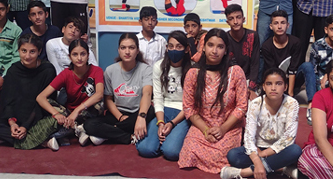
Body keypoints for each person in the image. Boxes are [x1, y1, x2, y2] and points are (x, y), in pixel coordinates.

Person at [179, 29, 248, 173]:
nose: (214, 51)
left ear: (226, 50)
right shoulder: (193, 73)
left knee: (223, 155)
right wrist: (205, 130)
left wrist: (223, 129)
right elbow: (189, 108)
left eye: (220, 47)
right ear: (203, 47)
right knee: (188, 153)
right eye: (210, 45)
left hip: (229, 126)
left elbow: (242, 106)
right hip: (202, 125)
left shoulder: (235, 72)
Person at [222, 68, 302, 179]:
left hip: (280, 150)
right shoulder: (256, 104)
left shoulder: (292, 104)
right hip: (258, 147)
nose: (273, 88)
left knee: (295, 151)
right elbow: (249, 137)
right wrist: (256, 158)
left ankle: (243, 173)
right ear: (264, 87)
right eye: (269, 84)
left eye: (278, 84)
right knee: (233, 155)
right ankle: (281, 168)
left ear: (285, 87)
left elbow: (288, 139)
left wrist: (262, 157)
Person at [0, 34, 59, 150]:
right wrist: (12, 123)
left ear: (39, 51)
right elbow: (7, 101)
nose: (27, 56)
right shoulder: (13, 71)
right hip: (17, 116)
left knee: (55, 122)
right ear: (18, 50)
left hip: (38, 116)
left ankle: (15, 139)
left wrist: (25, 126)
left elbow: (46, 102)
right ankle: (41, 141)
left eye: (32, 52)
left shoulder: (47, 70)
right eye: (23, 51)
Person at [83, 33, 153, 145]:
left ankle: (108, 133)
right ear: (118, 50)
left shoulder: (146, 69)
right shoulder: (110, 70)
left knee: (151, 112)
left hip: (137, 113)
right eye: (123, 48)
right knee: (89, 124)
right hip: (117, 114)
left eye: (131, 47)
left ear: (138, 50)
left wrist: (141, 117)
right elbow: (108, 99)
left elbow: (147, 94)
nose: (127, 52)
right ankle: (128, 136)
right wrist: (120, 117)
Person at [35, 39, 105, 146]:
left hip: (87, 111)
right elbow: (41, 97)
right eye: (75, 54)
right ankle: (77, 130)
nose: (79, 58)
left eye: (83, 54)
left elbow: (99, 94)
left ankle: (68, 132)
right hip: (68, 114)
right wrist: (57, 114)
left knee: (99, 105)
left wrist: (77, 111)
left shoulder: (96, 70)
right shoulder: (66, 74)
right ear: (69, 57)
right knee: (48, 103)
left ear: (88, 55)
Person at [137, 31, 192, 160]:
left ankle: (167, 142)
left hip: (183, 114)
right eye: (171, 46)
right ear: (166, 48)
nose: (174, 50)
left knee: (171, 152)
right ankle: (161, 141)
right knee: (145, 149)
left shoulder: (193, 70)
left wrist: (172, 123)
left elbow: (190, 104)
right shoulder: (159, 66)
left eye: (179, 47)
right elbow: (158, 97)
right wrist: (161, 123)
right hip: (163, 110)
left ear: (186, 49)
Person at [260, 10, 310, 101]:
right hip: (277, 80)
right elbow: (273, 72)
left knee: (307, 66)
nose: (279, 26)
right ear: (271, 26)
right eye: (276, 23)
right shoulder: (266, 46)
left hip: (293, 79)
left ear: (287, 25)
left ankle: (312, 101)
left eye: (283, 23)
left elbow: (293, 69)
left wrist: (290, 93)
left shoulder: (296, 42)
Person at [224, 4, 260, 99]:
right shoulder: (224, 38)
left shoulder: (253, 36)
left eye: (238, 17)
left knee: (253, 106)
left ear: (243, 19)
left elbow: (255, 63)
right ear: (227, 22)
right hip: (230, 80)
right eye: (231, 19)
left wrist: (251, 88)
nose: (235, 22)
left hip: (248, 80)